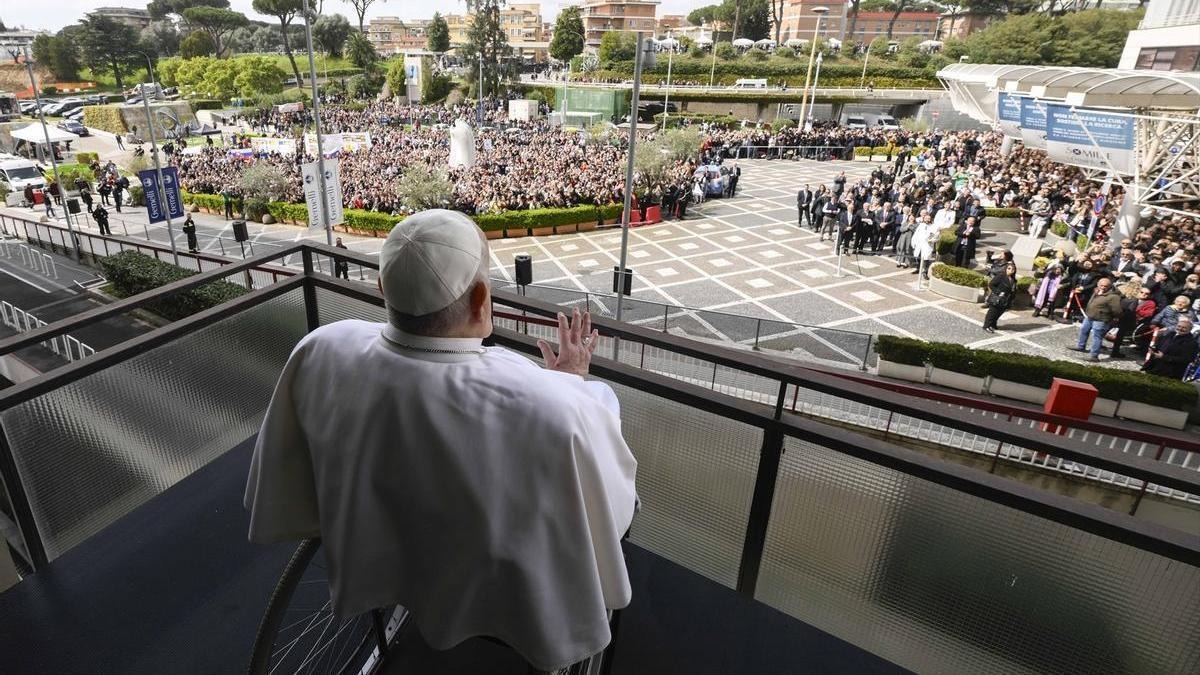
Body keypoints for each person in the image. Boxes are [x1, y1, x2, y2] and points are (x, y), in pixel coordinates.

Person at [244, 210, 638, 673]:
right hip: (498, 583)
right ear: (481, 300)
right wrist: (571, 380)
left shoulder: (325, 345)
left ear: (384, 288)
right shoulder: (551, 405)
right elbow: (611, 508)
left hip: (376, 540)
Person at [1069, 276, 1122, 361]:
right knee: (1084, 331)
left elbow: (1117, 310)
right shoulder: (1096, 291)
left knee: (1097, 337)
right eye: (1101, 285)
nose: (1103, 287)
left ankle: (1094, 356)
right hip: (1090, 316)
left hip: (1101, 320)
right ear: (1098, 284)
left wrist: (1112, 317)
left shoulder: (1113, 297)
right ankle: (1081, 346)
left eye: (1105, 286)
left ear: (1109, 286)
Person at [983, 261, 1017, 333]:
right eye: (1009, 268)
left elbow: (1013, 290)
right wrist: (998, 292)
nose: (1011, 270)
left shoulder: (1013, 279)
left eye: (1013, 269)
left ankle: (993, 324)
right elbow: (991, 284)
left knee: (999, 313)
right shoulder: (1001, 276)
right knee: (992, 312)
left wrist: (1012, 298)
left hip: (1006, 300)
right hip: (997, 298)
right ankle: (987, 326)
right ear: (1006, 269)